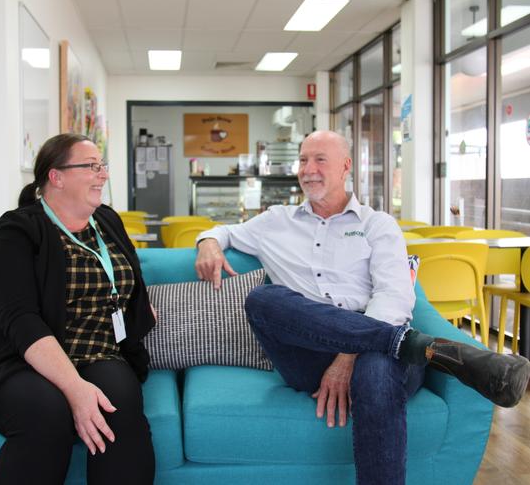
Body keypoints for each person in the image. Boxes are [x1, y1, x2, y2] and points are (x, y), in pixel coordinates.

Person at [195, 130, 530, 485]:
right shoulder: (275, 221)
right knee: (262, 300)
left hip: (377, 351)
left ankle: (397, 345)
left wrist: (348, 355)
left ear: (346, 166)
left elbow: (395, 296)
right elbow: (225, 231)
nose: (309, 169)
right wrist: (209, 242)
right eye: (304, 160)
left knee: (375, 367)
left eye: (320, 159)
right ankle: (416, 345)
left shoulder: (377, 224)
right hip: (307, 351)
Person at [0, 133, 156, 485]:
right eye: (92, 166)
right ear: (56, 177)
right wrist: (75, 390)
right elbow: (21, 321)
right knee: (47, 415)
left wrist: (139, 311)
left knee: (119, 409)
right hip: (20, 358)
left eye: (102, 166)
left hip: (97, 351)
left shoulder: (108, 220)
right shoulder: (14, 232)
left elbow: (130, 282)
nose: (103, 174)